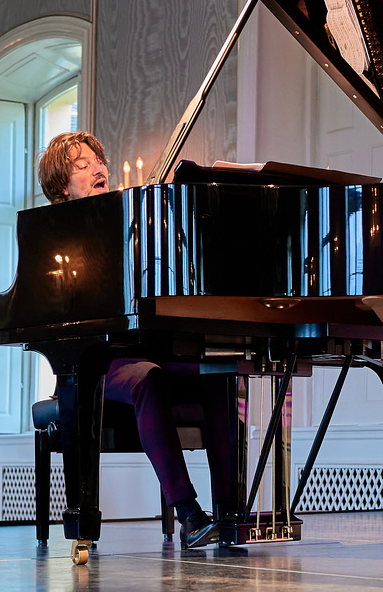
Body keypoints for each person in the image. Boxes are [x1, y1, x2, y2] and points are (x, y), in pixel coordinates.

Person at [38, 131, 233, 549]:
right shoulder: (53, 239)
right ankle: (189, 513)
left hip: (149, 351)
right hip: (94, 365)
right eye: (82, 164)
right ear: (61, 187)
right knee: (149, 378)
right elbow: (56, 313)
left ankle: (230, 512)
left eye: (98, 160)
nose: (98, 168)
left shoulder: (133, 228)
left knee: (221, 371)